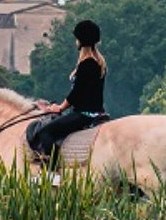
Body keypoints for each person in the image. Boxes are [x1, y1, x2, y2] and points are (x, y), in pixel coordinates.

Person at [29, 19, 109, 162]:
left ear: (81, 40)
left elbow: (76, 94)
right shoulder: (98, 62)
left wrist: (59, 108)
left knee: (45, 132)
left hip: (84, 114)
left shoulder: (87, 64)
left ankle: (53, 173)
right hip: (95, 111)